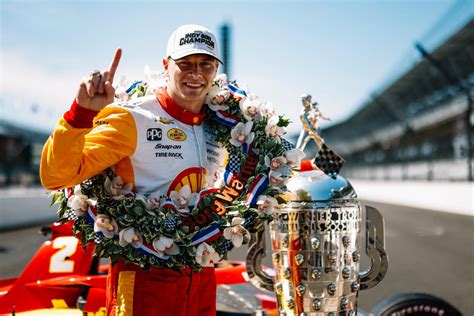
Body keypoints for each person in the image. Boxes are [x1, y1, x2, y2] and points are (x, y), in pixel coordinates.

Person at [40, 24, 225, 316]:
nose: (196, 73)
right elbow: (57, 176)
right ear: (166, 66)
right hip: (144, 276)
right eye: (185, 64)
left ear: (216, 69)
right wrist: (81, 114)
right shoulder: (134, 118)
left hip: (201, 276)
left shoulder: (222, 124)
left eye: (206, 64)